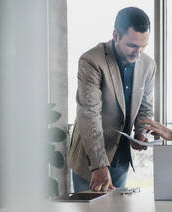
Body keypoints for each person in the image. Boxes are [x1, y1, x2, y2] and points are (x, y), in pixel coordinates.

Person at [68, 7, 155, 192]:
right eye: (132, 45)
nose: (138, 53)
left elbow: (145, 106)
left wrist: (141, 133)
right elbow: (89, 114)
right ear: (116, 35)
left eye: (143, 46)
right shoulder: (91, 61)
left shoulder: (148, 65)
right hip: (90, 160)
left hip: (120, 157)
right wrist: (99, 165)